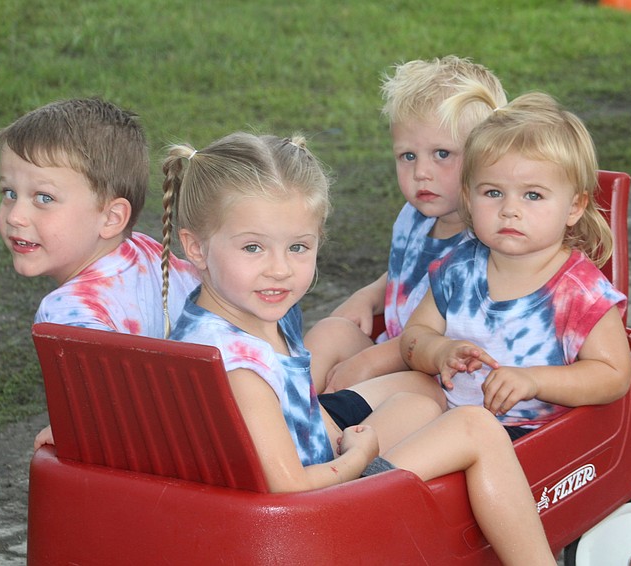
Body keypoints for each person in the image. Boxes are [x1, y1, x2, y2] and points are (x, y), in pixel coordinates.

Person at [162, 132, 555, 565]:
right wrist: (358, 457)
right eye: (253, 247)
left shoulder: (236, 317)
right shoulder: (241, 367)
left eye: (298, 247)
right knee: (475, 427)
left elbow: (302, 413)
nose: (279, 269)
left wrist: (338, 438)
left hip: (308, 486)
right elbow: (288, 488)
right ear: (195, 246)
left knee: (420, 405)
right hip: (309, 519)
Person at [401, 89, 631, 441]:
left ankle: (381, 478)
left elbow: (613, 375)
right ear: (469, 197)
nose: (510, 209)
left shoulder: (578, 292)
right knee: (392, 395)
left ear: (574, 207)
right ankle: (333, 450)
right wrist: (439, 352)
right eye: (493, 193)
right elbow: (413, 337)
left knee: (451, 431)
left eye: (533, 195)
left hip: (522, 435)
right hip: (446, 411)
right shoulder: (460, 267)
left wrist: (533, 379)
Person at [0, 98, 199, 449]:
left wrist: (79, 428)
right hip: (208, 424)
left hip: (169, 454)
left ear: (111, 218)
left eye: (43, 197)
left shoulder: (67, 313)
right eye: (10, 193)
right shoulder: (148, 251)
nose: (15, 215)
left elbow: (111, 416)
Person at [305, 55, 507, 393]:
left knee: (380, 385)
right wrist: (369, 296)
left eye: (442, 154)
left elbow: (455, 335)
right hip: (397, 351)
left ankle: (319, 428)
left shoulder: (489, 243)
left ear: (488, 154)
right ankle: (285, 411)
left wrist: (368, 362)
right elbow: (408, 272)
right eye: (408, 156)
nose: (421, 173)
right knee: (331, 332)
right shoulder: (415, 217)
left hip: (443, 377)